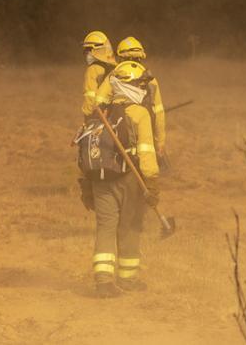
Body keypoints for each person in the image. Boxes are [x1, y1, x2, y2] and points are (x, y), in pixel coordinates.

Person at [85, 61, 161, 297]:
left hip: (100, 179)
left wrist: (86, 185)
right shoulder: (139, 113)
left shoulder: (100, 113)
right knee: (129, 226)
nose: (142, 88)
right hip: (129, 179)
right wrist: (152, 185)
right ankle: (127, 279)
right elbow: (147, 154)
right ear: (130, 86)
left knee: (106, 227)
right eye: (139, 84)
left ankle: (103, 281)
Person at [93, 36, 167, 166]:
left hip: (117, 121)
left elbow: (99, 102)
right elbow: (159, 113)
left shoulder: (113, 75)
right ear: (140, 57)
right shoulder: (150, 79)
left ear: (121, 57)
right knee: (147, 152)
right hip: (143, 121)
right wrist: (160, 143)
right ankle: (149, 179)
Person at [80, 31, 116, 119]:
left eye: (88, 50)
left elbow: (90, 96)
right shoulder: (115, 68)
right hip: (114, 115)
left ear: (96, 50)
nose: (86, 54)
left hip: (99, 115)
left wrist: (87, 116)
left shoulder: (93, 69)